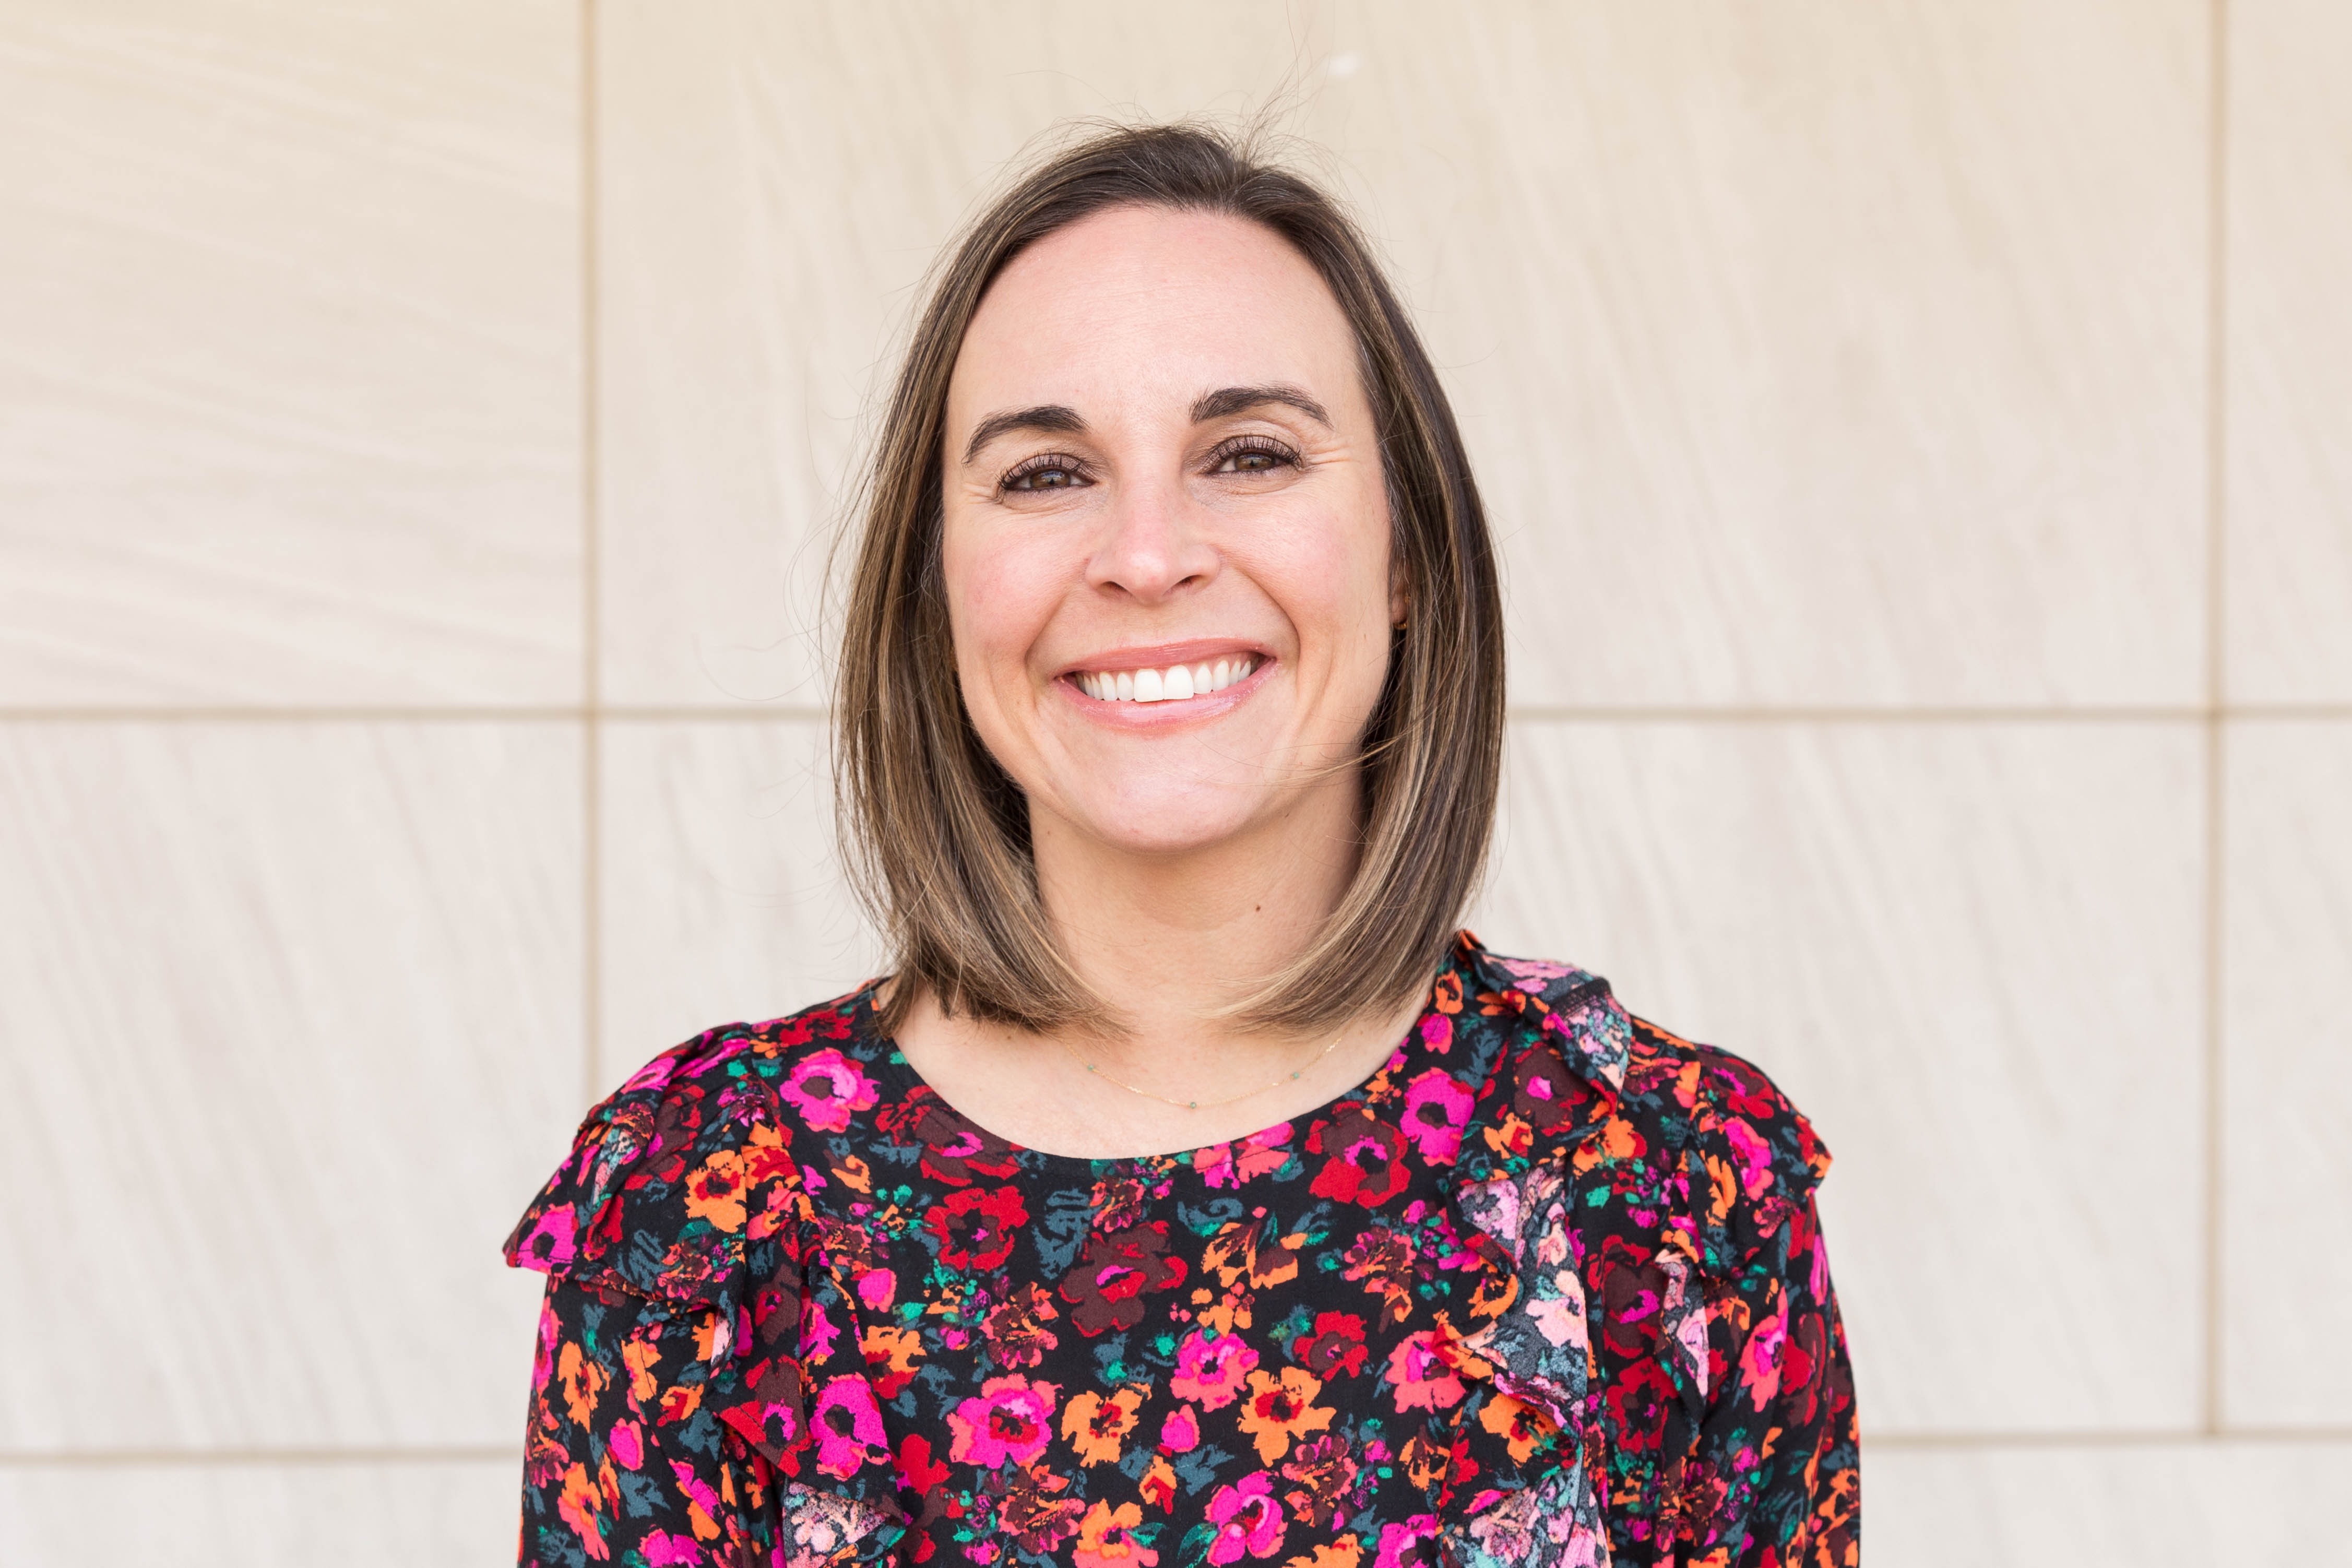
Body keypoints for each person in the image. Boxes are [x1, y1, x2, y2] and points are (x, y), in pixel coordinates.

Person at [505, 122, 1858, 1568]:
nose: (1147, 555)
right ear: (939, 580)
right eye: (1042, 473)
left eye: (1251, 453)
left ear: (1405, 551)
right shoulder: (704, 1202)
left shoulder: (1663, 1179)